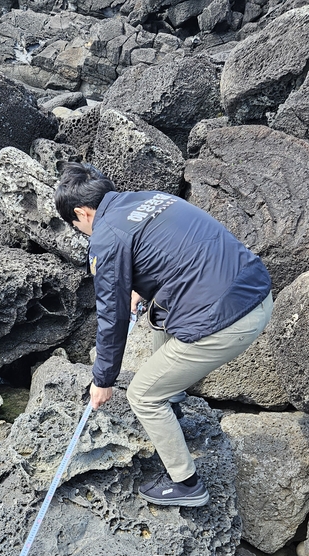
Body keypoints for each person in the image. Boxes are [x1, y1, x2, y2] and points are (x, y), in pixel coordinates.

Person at [54, 162, 273, 507]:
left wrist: (103, 379)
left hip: (228, 321)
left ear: (82, 212)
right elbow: (177, 253)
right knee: (158, 317)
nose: (81, 231)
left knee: (142, 395)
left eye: (75, 225)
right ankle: (172, 403)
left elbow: (111, 317)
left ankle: (186, 484)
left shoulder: (105, 236)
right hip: (257, 291)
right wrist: (141, 289)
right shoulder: (154, 199)